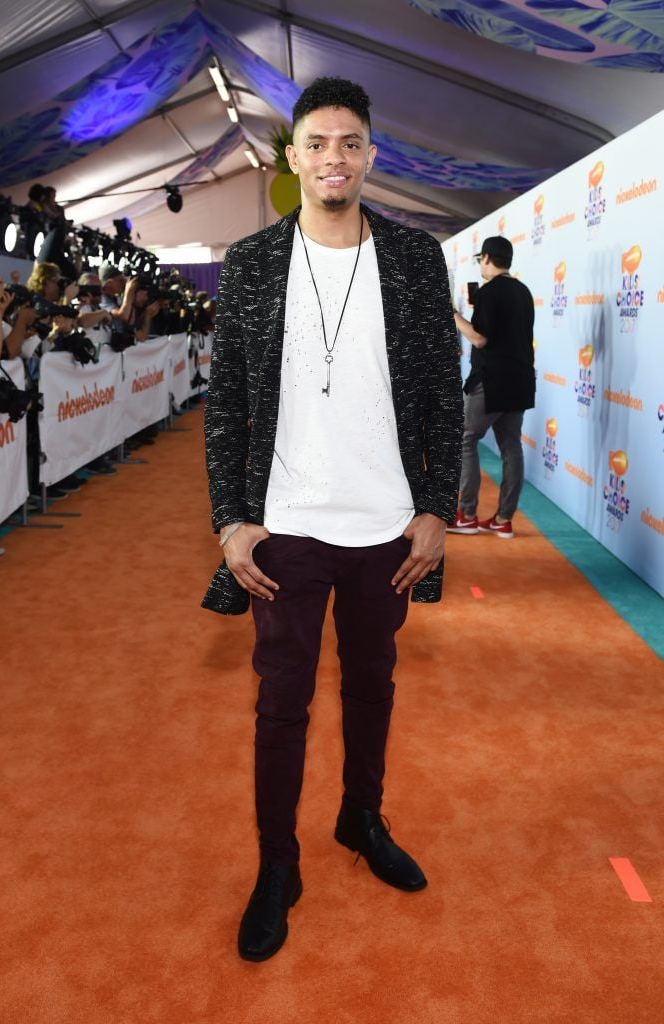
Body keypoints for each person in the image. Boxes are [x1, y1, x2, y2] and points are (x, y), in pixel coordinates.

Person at [203, 77, 463, 962]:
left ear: (371, 155)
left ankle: (360, 819)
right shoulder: (252, 263)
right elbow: (228, 403)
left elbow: (437, 396)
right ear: (291, 157)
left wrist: (437, 513)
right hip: (286, 528)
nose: (333, 159)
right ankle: (279, 866)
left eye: (350, 143)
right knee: (281, 704)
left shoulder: (414, 259)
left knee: (372, 685)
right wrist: (231, 522)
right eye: (316, 143)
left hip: (387, 526)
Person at [448, 236, 535, 539]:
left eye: (480, 260)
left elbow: (480, 338)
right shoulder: (523, 291)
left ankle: (467, 515)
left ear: (486, 258)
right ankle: (503, 519)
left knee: (465, 439)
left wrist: (452, 314)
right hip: (521, 381)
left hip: (492, 380)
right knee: (511, 447)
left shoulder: (489, 292)